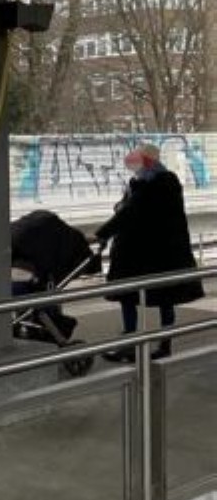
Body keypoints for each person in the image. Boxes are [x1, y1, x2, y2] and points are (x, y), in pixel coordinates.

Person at [96, 143, 203, 361]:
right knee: (134, 295)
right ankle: (137, 343)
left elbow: (131, 212)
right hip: (142, 253)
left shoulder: (160, 183)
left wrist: (102, 233)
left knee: (157, 296)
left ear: (147, 160)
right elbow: (127, 210)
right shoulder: (143, 182)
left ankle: (159, 344)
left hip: (155, 254)